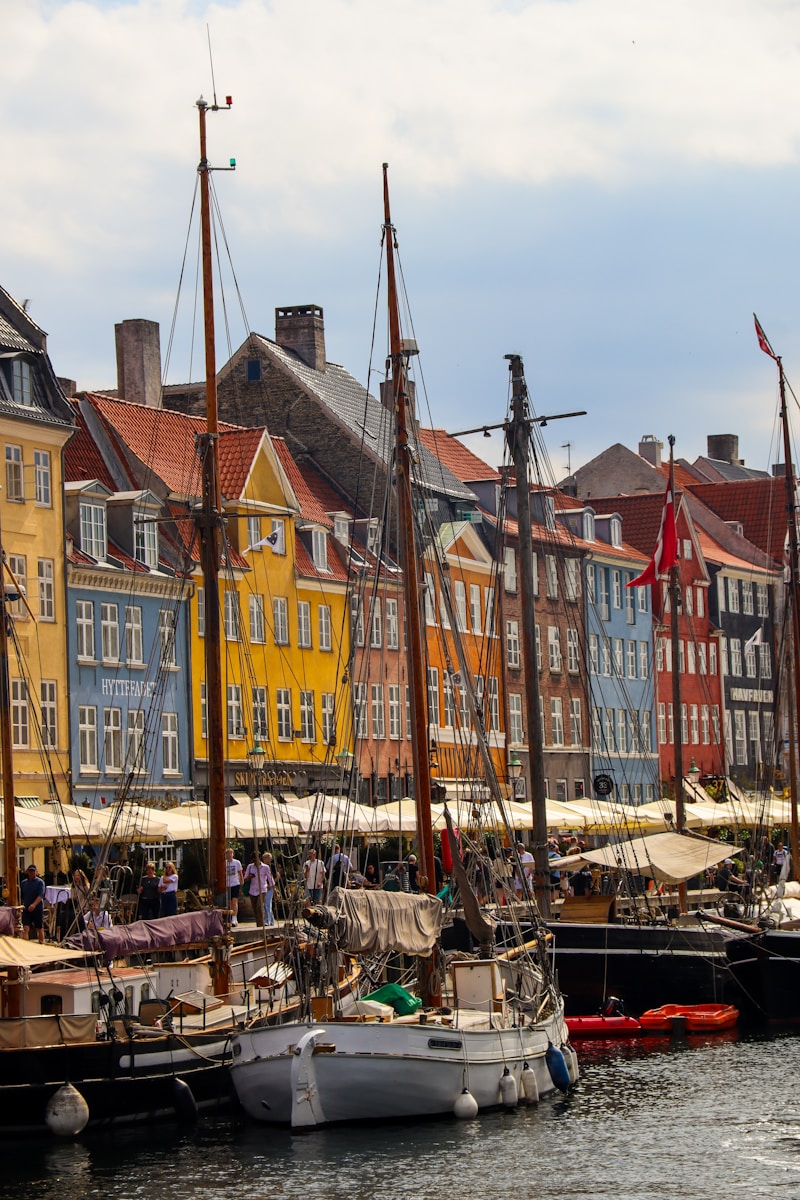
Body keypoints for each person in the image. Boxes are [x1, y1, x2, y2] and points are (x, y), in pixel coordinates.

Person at [243, 851, 271, 927]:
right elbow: (245, 879)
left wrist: (271, 886)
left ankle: (262, 925)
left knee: (259, 907)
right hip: (253, 890)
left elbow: (269, 877)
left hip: (262, 889)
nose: (254, 862)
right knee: (255, 909)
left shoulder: (265, 867)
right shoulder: (250, 867)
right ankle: (258, 924)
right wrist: (250, 877)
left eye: (255, 860)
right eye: (253, 861)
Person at [20, 864, 45, 943]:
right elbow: (22, 896)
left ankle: (41, 943)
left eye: (33, 871)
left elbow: (40, 895)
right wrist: (22, 906)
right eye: (30, 871)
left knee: (39, 927)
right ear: (28, 872)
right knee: (26, 928)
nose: (32, 873)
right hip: (27, 909)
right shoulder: (24, 883)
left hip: (37, 908)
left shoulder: (40, 882)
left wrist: (34, 905)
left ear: (36, 872)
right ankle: (26, 945)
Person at [225, 847, 244, 926]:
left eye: (230, 853)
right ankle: (230, 916)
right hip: (227, 884)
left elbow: (240, 873)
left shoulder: (237, 862)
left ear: (233, 854)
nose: (229, 855)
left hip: (235, 883)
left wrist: (242, 881)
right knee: (229, 902)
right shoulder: (224, 863)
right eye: (227, 853)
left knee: (234, 901)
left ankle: (234, 917)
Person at [261, 852, 276, 926]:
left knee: (267, 904)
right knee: (266, 905)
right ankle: (272, 921)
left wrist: (272, 884)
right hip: (263, 887)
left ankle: (267, 921)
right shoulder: (261, 867)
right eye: (268, 858)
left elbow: (277, 876)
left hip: (270, 887)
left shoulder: (272, 866)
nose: (270, 860)